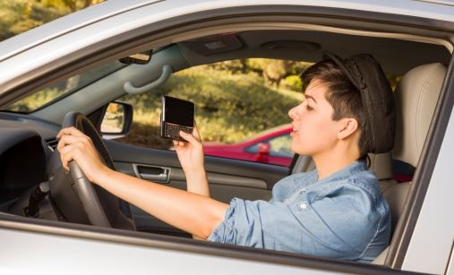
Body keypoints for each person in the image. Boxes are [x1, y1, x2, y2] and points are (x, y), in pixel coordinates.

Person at [57, 52, 395, 262]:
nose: (293, 111)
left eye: (309, 105)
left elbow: (216, 224)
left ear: (346, 127)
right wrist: (194, 168)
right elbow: (214, 238)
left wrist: (101, 174)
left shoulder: (351, 210)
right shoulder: (302, 185)